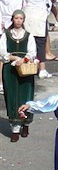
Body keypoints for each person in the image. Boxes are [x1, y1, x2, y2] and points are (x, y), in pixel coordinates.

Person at [0, 10, 36, 141]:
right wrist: (14, 57)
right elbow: (2, 52)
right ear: (13, 19)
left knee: (25, 95)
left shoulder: (28, 36)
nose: (18, 20)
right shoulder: (6, 35)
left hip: (25, 69)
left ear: (23, 20)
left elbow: (32, 52)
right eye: (16, 18)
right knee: (11, 96)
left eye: (21, 18)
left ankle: (25, 124)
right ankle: (15, 128)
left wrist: (24, 59)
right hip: (10, 69)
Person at [22, 0, 58, 79]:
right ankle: (42, 69)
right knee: (41, 44)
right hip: (40, 17)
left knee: (29, 42)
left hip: (28, 16)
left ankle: (29, 65)